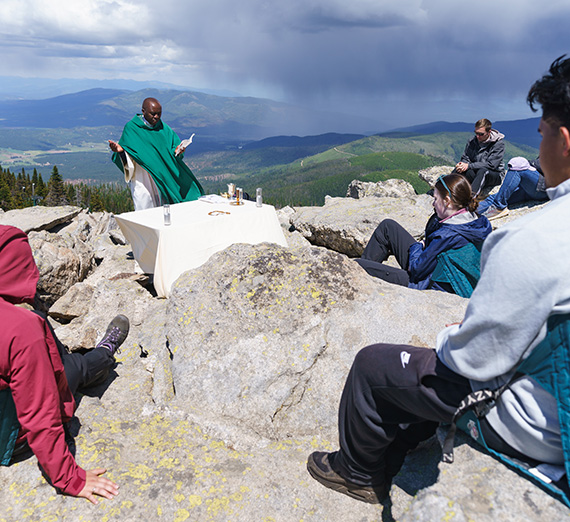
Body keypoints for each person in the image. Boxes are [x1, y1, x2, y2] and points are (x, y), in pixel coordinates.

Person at [307, 55, 570, 504]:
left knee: (373, 366)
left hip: (543, 427)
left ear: (563, 140)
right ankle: (403, 444)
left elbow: (475, 360)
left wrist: (449, 337)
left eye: (542, 132)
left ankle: (356, 472)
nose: (539, 144)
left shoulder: (537, 239)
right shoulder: (496, 229)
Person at [0, 225, 130, 504]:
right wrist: (70, 478)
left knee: (38, 326)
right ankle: (106, 351)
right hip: (6, 438)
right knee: (73, 368)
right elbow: (39, 416)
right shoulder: (19, 331)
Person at [356, 173, 491, 292]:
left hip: (427, 285)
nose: (433, 204)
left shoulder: (447, 235)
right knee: (388, 227)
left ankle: (355, 281)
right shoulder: (478, 221)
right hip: (438, 272)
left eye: (436, 199)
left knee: (358, 265)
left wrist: (419, 246)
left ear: (447, 201)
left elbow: (416, 271)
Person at [108, 97, 204, 211]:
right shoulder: (132, 128)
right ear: (143, 111)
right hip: (143, 177)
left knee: (165, 209)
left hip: (163, 178)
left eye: (159, 114)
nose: (157, 117)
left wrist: (178, 150)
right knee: (145, 209)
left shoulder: (164, 129)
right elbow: (126, 152)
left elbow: (174, 148)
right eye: (153, 114)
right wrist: (121, 151)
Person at [477, 156, 548, 220]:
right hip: (530, 188)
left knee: (517, 164)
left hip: (543, 188)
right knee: (495, 197)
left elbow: (544, 166)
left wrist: (530, 163)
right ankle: (470, 212)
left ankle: (498, 208)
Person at [453, 118, 505, 196]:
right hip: (475, 171)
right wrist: (462, 164)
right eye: (476, 133)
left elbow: (492, 165)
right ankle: (445, 190)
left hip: (494, 175)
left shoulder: (498, 144)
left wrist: (469, 166)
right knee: (459, 170)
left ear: (489, 132)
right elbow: (466, 157)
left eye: (481, 134)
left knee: (483, 171)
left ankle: (471, 198)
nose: (478, 136)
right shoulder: (472, 141)